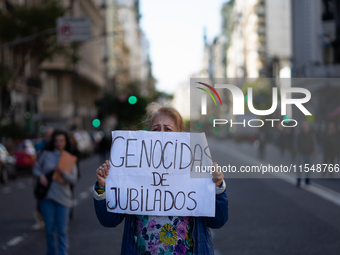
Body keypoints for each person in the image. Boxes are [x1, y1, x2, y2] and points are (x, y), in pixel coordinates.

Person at [93, 103, 229, 255]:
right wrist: (102, 187)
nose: (161, 134)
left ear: (181, 134)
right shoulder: (132, 171)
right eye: (156, 129)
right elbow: (109, 220)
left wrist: (218, 188)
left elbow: (217, 221)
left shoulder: (196, 169)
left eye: (168, 129)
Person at [33, 130, 78, 255]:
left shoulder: (69, 158)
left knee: (62, 231)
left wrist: (62, 172)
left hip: (63, 199)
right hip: (47, 198)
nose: (58, 143)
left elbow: (74, 179)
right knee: (49, 231)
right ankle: (51, 252)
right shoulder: (46, 154)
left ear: (65, 142)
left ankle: (63, 253)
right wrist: (41, 175)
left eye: (61, 140)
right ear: (53, 141)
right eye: (56, 140)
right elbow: (36, 168)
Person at [296, 122, 316, 187]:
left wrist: (313, 151)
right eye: (304, 127)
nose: (305, 128)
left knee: (308, 169)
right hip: (302, 153)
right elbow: (297, 143)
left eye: (306, 127)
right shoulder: (300, 135)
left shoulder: (311, 135)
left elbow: (313, 143)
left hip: (309, 153)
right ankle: (299, 180)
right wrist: (298, 151)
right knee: (300, 168)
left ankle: (307, 180)